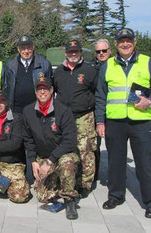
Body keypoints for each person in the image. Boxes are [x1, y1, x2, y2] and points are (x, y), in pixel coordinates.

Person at [95, 28, 151, 218]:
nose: (124, 44)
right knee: (115, 161)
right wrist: (100, 121)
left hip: (140, 121)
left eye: (128, 41)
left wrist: (150, 101)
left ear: (134, 43)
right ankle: (116, 195)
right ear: (116, 44)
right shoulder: (108, 65)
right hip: (115, 121)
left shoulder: (147, 62)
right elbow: (101, 96)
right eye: (121, 41)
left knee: (146, 162)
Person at [22, 76, 79, 220]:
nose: (42, 92)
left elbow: (70, 141)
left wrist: (50, 161)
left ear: (52, 90)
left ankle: (69, 198)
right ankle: (57, 181)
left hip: (62, 155)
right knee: (42, 197)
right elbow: (28, 139)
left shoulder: (63, 111)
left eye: (45, 89)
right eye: (39, 89)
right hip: (43, 156)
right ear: (35, 92)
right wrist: (33, 161)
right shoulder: (28, 111)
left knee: (67, 163)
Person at [53, 40, 98, 198]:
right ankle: (65, 179)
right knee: (65, 148)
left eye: (76, 52)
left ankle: (85, 184)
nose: (73, 54)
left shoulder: (89, 71)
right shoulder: (58, 71)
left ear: (80, 53)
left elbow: (96, 93)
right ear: (66, 53)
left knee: (85, 151)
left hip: (84, 116)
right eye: (70, 52)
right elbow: (54, 91)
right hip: (64, 117)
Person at [6, 34, 53, 114]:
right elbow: (6, 87)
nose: (26, 51)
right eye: (23, 48)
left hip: (37, 111)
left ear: (33, 47)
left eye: (29, 47)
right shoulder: (10, 65)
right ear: (18, 49)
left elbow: (51, 88)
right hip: (16, 111)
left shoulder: (44, 64)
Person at [92, 38, 112, 181]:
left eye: (104, 51)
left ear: (110, 51)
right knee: (94, 146)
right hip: (96, 111)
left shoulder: (116, 66)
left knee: (113, 146)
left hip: (113, 113)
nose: (101, 53)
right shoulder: (91, 67)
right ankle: (95, 174)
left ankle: (114, 175)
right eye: (98, 51)